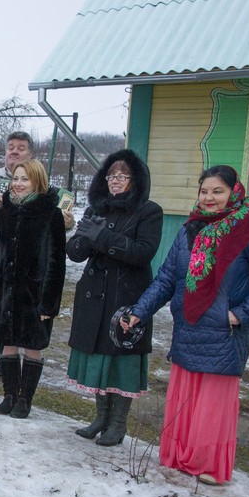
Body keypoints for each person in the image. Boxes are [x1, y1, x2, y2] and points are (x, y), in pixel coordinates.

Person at [124, 165, 249, 484]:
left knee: (212, 404)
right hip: (189, 328)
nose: (209, 198)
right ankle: (180, 457)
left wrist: (238, 314)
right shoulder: (190, 229)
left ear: (233, 192)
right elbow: (168, 278)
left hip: (224, 333)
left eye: (218, 191)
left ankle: (209, 466)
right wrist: (139, 311)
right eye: (204, 191)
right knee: (185, 400)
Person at [67, 149, 163, 445]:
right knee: (98, 355)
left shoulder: (148, 211)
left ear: (135, 180)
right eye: (111, 175)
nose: (116, 181)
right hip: (95, 294)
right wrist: (83, 239)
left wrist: (103, 238)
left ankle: (118, 424)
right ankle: (100, 418)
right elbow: (74, 252)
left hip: (126, 296)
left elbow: (142, 253)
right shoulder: (96, 209)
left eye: (123, 176)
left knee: (121, 358)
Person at [0, 132, 74, 377]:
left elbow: (55, 247)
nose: (14, 151)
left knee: (19, 328)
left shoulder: (44, 190)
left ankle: (6, 369)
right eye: (10, 147)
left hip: (25, 273)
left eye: (20, 148)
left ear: (30, 155)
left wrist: (67, 221)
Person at [0, 159, 66, 419]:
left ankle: (25, 399)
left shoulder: (51, 214)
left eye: (25, 179)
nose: (19, 184)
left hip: (35, 294)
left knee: (33, 346)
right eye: (16, 179)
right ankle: (9, 395)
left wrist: (49, 304)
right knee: (7, 344)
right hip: (6, 292)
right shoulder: (3, 212)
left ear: (38, 182)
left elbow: (57, 262)